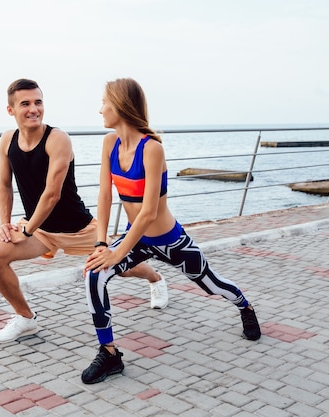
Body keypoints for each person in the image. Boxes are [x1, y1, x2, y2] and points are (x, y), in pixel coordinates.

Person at [81, 78, 261, 384]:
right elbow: (104, 195)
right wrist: (102, 243)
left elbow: (149, 211)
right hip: (136, 237)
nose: (99, 110)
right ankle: (109, 354)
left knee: (211, 285)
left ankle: (244, 305)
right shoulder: (109, 143)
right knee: (94, 274)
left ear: (121, 106)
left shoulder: (152, 149)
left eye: (104, 102)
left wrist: (117, 253)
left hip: (170, 239)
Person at [0, 78, 168, 344]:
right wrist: (5, 223)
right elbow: (4, 184)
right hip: (41, 230)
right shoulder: (7, 140)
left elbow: (52, 194)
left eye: (38, 102)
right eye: (25, 104)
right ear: (11, 110)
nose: (34, 109)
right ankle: (25, 319)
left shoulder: (57, 139)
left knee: (119, 265)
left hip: (77, 228)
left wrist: (25, 230)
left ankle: (155, 278)